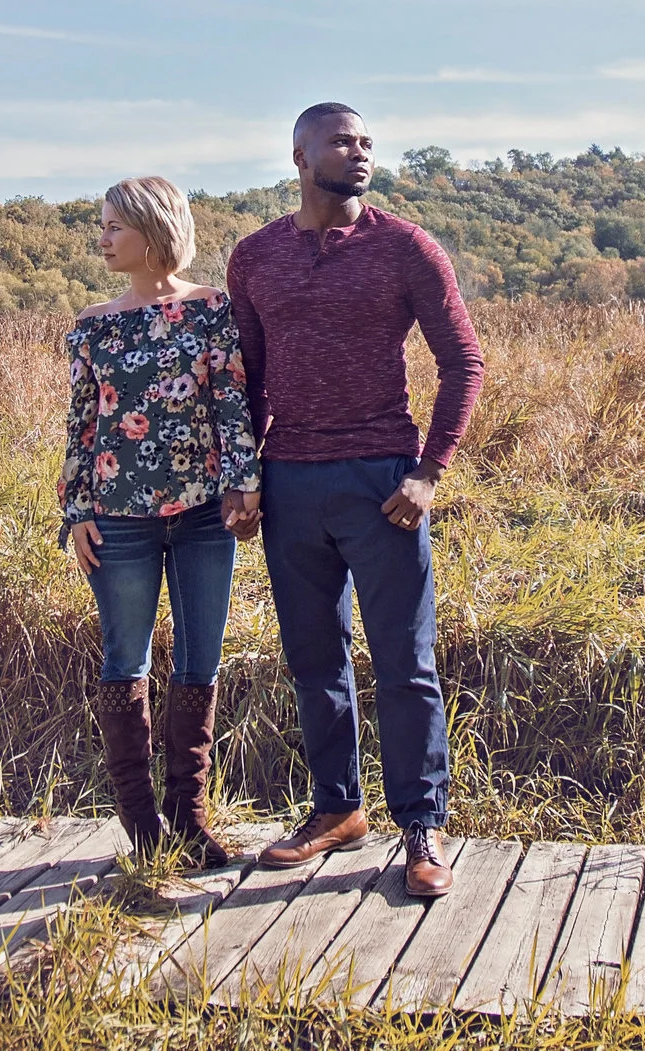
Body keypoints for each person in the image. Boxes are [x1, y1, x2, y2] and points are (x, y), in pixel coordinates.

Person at [223, 105, 485, 899]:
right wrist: (244, 474)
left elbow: (463, 360)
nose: (360, 152)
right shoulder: (256, 256)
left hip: (383, 482)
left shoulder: (404, 246)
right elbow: (247, 379)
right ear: (300, 155)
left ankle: (423, 825)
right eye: (343, 141)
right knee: (313, 659)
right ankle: (336, 810)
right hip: (291, 481)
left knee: (406, 663)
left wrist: (429, 471)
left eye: (367, 142)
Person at [59, 175, 261, 867]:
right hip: (119, 522)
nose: (103, 236)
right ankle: (143, 829)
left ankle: (190, 816)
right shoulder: (93, 323)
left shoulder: (211, 310)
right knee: (126, 662)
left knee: (201, 660)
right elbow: (82, 425)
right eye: (103, 224)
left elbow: (232, 404)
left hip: (205, 514)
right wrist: (76, 511)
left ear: (152, 230)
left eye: (114, 225)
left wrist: (243, 485)